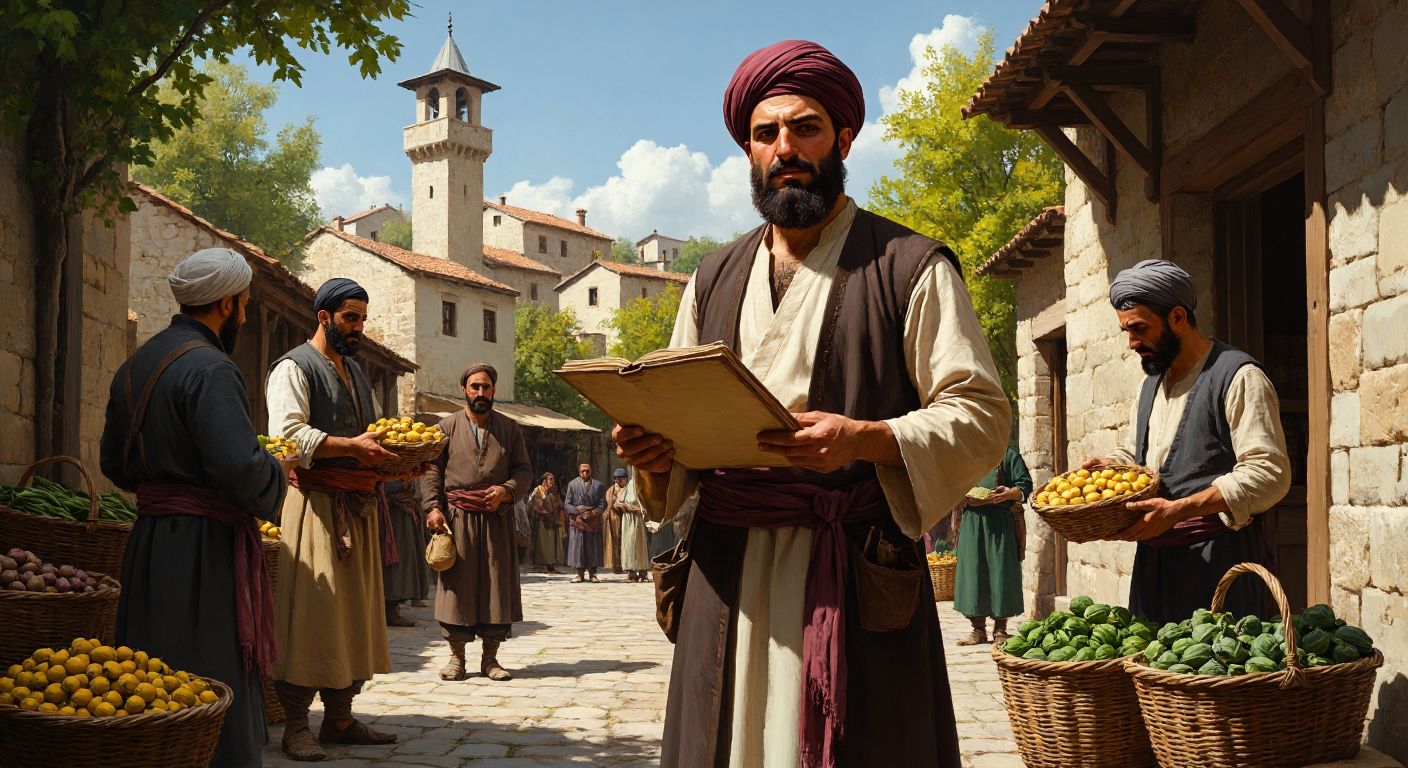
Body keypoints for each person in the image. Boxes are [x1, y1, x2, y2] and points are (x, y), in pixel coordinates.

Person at [612, 40, 1010, 768]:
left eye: (806, 129)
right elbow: (677, 420)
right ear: (748, 150)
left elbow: (980, 414)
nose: (785, 149)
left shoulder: (909, 266)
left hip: (852, 569)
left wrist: (867, 439)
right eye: (766, 134)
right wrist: (653, 454)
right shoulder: (710, 279)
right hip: (727, 570)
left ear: (844, 139)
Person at [100, 248, 287, 768]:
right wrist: (278, 472)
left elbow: (114, 463)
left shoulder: (134, 366)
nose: (245, 316)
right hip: (206, 552)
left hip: (149, 545)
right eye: (244, 305)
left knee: (147, 683)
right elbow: (239, 467)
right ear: (226, 304)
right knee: (208, 680)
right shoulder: (213, 369)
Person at [1083, 259, 1291, 624]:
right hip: (1153, 571)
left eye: (1139, 328)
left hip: (1219, 570)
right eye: (1126, 331)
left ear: (1177, 317)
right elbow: (1142, 455)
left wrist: (1181, 509)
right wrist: (1113, 466)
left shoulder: (1239, 377)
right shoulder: (1149, 386)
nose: (1132, 343)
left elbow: (1269, 473)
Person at [265, 277, 398, 761]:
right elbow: (287, 435)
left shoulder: (357, 371)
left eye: (362, 318)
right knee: (312, 614)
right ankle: (296, 726)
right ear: (324, 317)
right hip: (315, 506)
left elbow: (376, 433)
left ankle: (340, 719)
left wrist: (398, 459)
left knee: (355, 614)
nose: (358, 327)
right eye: (350, 317)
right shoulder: (292, 368)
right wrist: (351, 447)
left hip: (358, 507)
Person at [422, 363, 532, 682]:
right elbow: (432, 470)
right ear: (465, 389)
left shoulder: (510, 429)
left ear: (494, 390)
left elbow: (523, 471)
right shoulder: (445, 428)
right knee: (457, 587)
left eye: (486, 386)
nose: (480, 392)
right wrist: (433, 507)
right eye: (475, 386)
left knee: (496, 586)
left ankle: (490, 659)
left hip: (496, 519)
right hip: (457, 519)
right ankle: (456, 658)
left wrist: (506, 490)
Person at [951, 445, 1032, 645]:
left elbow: (1025, 486)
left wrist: (1009, 494)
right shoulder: (965, 454)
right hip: (972, 521)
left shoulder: (1008, 454)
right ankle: (978, 630)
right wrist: (958, 496)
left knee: (1000, 571)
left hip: (1000, 521)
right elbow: (951, 483)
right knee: (973, 571)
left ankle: (1000, 629)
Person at [383, 478, 427, 627]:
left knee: (403, 561)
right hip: (389, 512)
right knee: (395, 564)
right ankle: (390, 610)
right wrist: (400, 485)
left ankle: (392, 609)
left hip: (403, 510)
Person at [563, 463, 606, 583]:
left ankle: (593, 573)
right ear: (579, 472)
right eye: (583, 471)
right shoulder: (572, 484)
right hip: (578, 519)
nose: (585, 473)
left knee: (593, 546)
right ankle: (579, 573)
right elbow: (567, 503)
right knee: (578, 546)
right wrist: (578, 513)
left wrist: (593, 513)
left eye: (587, 471)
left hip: (593, 520)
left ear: (591, 471)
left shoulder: (598, 485)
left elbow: (603, 504)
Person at [612, 470, 651, 582]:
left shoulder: (638, 486)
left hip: (637, 520)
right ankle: (632, 573)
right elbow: (617, 503)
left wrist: (634, 508)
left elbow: (644, 505)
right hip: (628, 520)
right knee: (628, 545)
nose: (618, 482)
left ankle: (642, 572)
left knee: (639, 545)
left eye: (620, 479)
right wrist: (622, 506)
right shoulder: (627, 488)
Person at [529, 472, 566, 573]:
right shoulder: (538, 490)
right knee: (543, 543)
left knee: (551, 544)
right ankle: (542, 565)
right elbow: (535, 504)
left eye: (553, 479)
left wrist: (558, 512)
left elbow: (559, 504)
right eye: (550, 479)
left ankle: (550, 564)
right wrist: (545, 513)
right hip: (542, 520)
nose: (552, 482)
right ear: (544, 480)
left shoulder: (553, 492)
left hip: (552, 520)